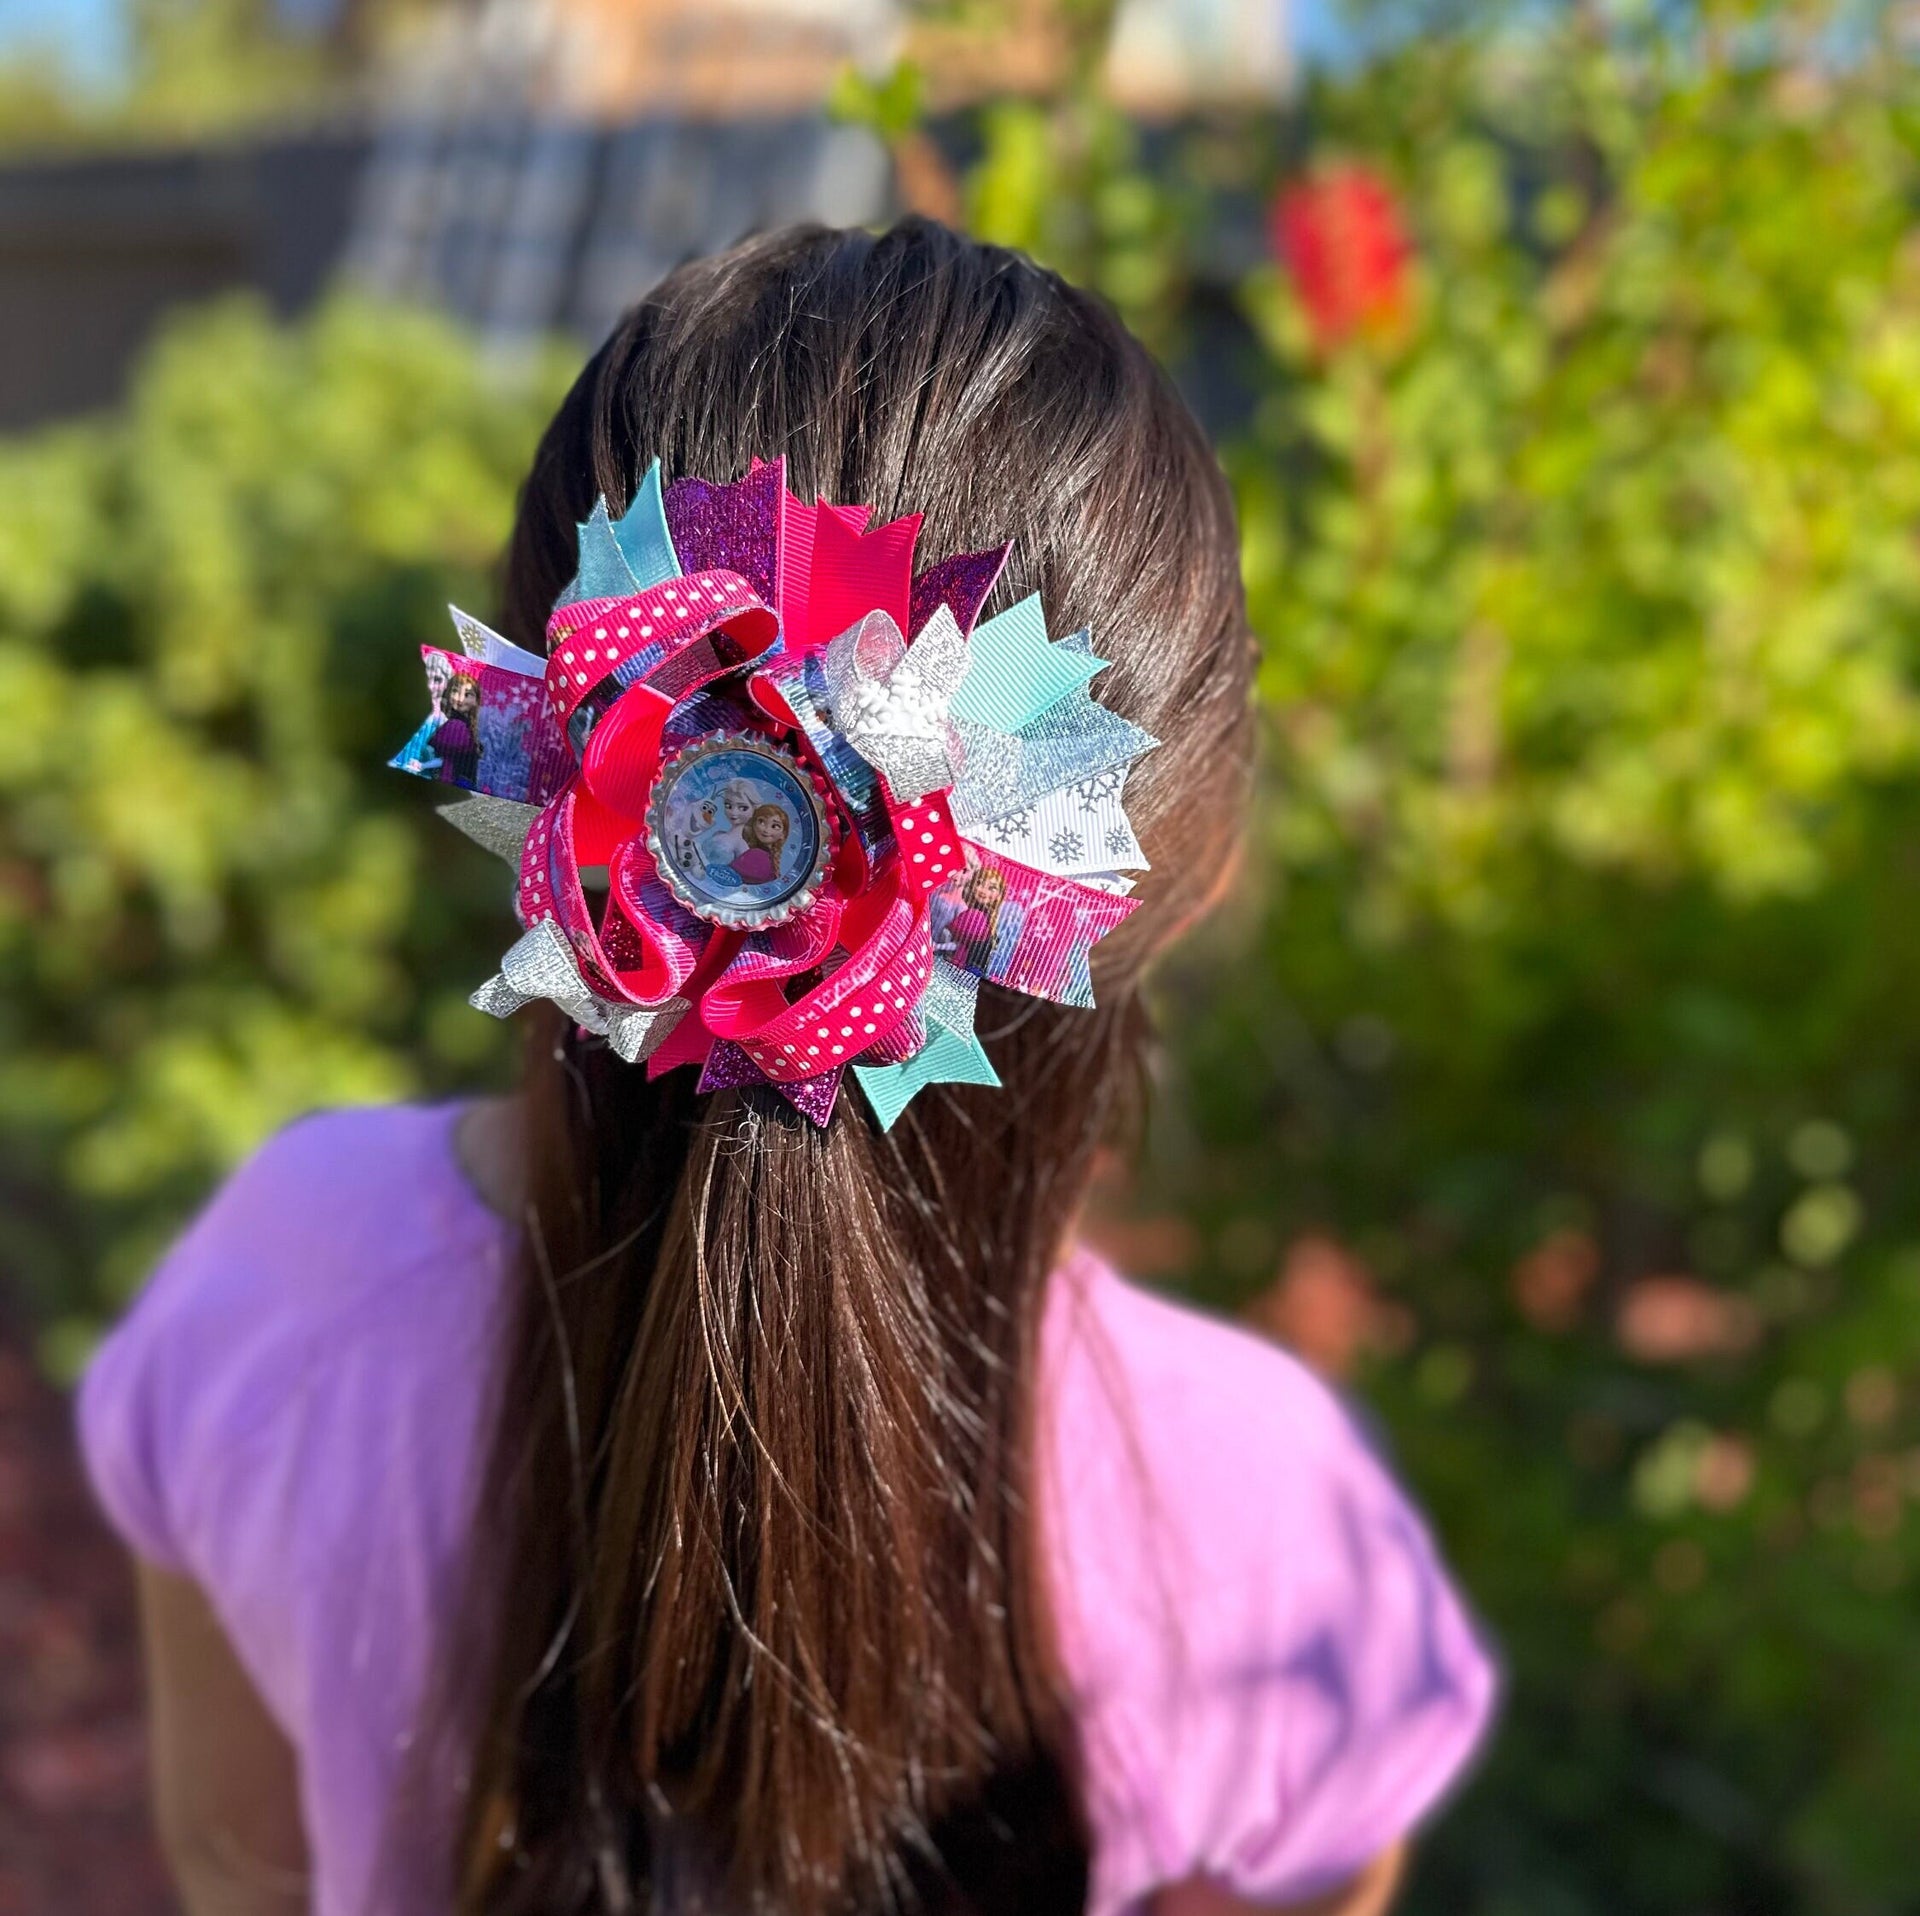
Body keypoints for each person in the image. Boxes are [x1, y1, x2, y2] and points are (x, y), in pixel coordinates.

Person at [77, 221, 1496, 1916]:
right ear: (1180, 883)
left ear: (554, 757)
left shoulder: (284, 1274)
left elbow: (240, 1850)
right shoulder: (1276, 1525)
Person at [723, 802, 791, 886]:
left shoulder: (757, 855)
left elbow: (726, 875)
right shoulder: (768, 859)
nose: (766, 830)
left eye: (774, 826)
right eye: (761, 822)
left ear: (783, 834)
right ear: (754, 824)